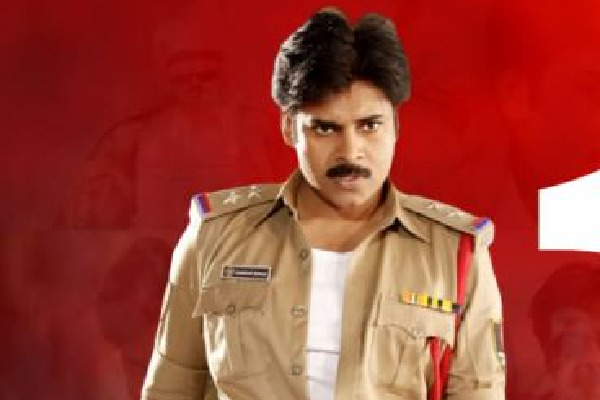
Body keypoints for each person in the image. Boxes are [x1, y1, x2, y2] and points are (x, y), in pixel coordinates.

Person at [141, 7, 505, 400]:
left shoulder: (455, 254)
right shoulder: (215, 237)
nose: (350, 151)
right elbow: (169, 390)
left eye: (369, 125)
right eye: (325, 128)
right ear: (288, 129)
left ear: (396, 127)